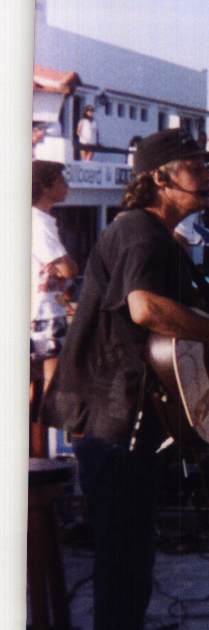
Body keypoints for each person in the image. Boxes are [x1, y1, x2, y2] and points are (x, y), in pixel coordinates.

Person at [41, 128, 209, 630]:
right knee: (125, 564)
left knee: (131, 558)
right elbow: (145, 308)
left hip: (126, 419)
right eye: (196, 167)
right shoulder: (141, 233)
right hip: (115, 421)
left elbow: (170, 330)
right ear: (159, 178)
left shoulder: (153, 235)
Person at [30, 160, 79, 458]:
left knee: (38, 387)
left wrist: (67, 306)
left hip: (44, 312)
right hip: (45, 318)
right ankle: (47, 454)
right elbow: (69, 270)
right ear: (46, 187)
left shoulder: (37, 220)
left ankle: (39, 454)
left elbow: (52, 284)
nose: (67, 185)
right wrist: (67, 266)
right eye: (61, 180)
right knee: (54, 384)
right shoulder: (40, 222)